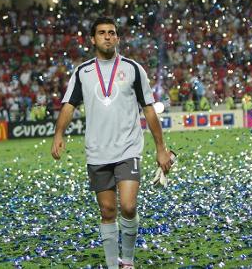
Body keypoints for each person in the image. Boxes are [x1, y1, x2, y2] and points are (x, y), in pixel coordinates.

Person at [51, 17, 172, 269]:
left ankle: (126, 261)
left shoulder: (133, 69)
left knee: (128, 206)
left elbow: (149, 109)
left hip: (128, 149)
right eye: (102, 33)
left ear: (117, 38)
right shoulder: (82, 72)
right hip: (97, 152)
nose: (108, 36)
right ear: (92, 39)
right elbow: (69, 105)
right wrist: (58, 134)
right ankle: (110, 264)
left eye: (112, 33)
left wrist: (161, 148)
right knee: (107, 212)